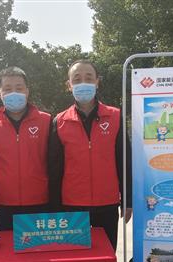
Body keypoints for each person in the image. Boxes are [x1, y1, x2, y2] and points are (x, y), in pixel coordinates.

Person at [48, 60, 132, 250]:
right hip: (72, 205)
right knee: (76, 258)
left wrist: (128, 200)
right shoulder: (59, 121)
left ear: (97, 82)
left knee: (105, 255)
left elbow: (124, 161)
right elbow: (54, 169)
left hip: (107, 203)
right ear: (69, 85)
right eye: (77, 79)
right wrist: (55, 207)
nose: (83, 83)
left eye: (89, 78)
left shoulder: (115, 117)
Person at [0, 67, 51, 230]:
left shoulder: (46, 122)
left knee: (42, 246)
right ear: (0, 93)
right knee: (9, 246)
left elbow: (55, 165)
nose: (14, 93)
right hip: (6, 205)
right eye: (7, 89)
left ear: (27, 91)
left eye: (19, 88)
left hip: (41, 202)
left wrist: (56, 203)